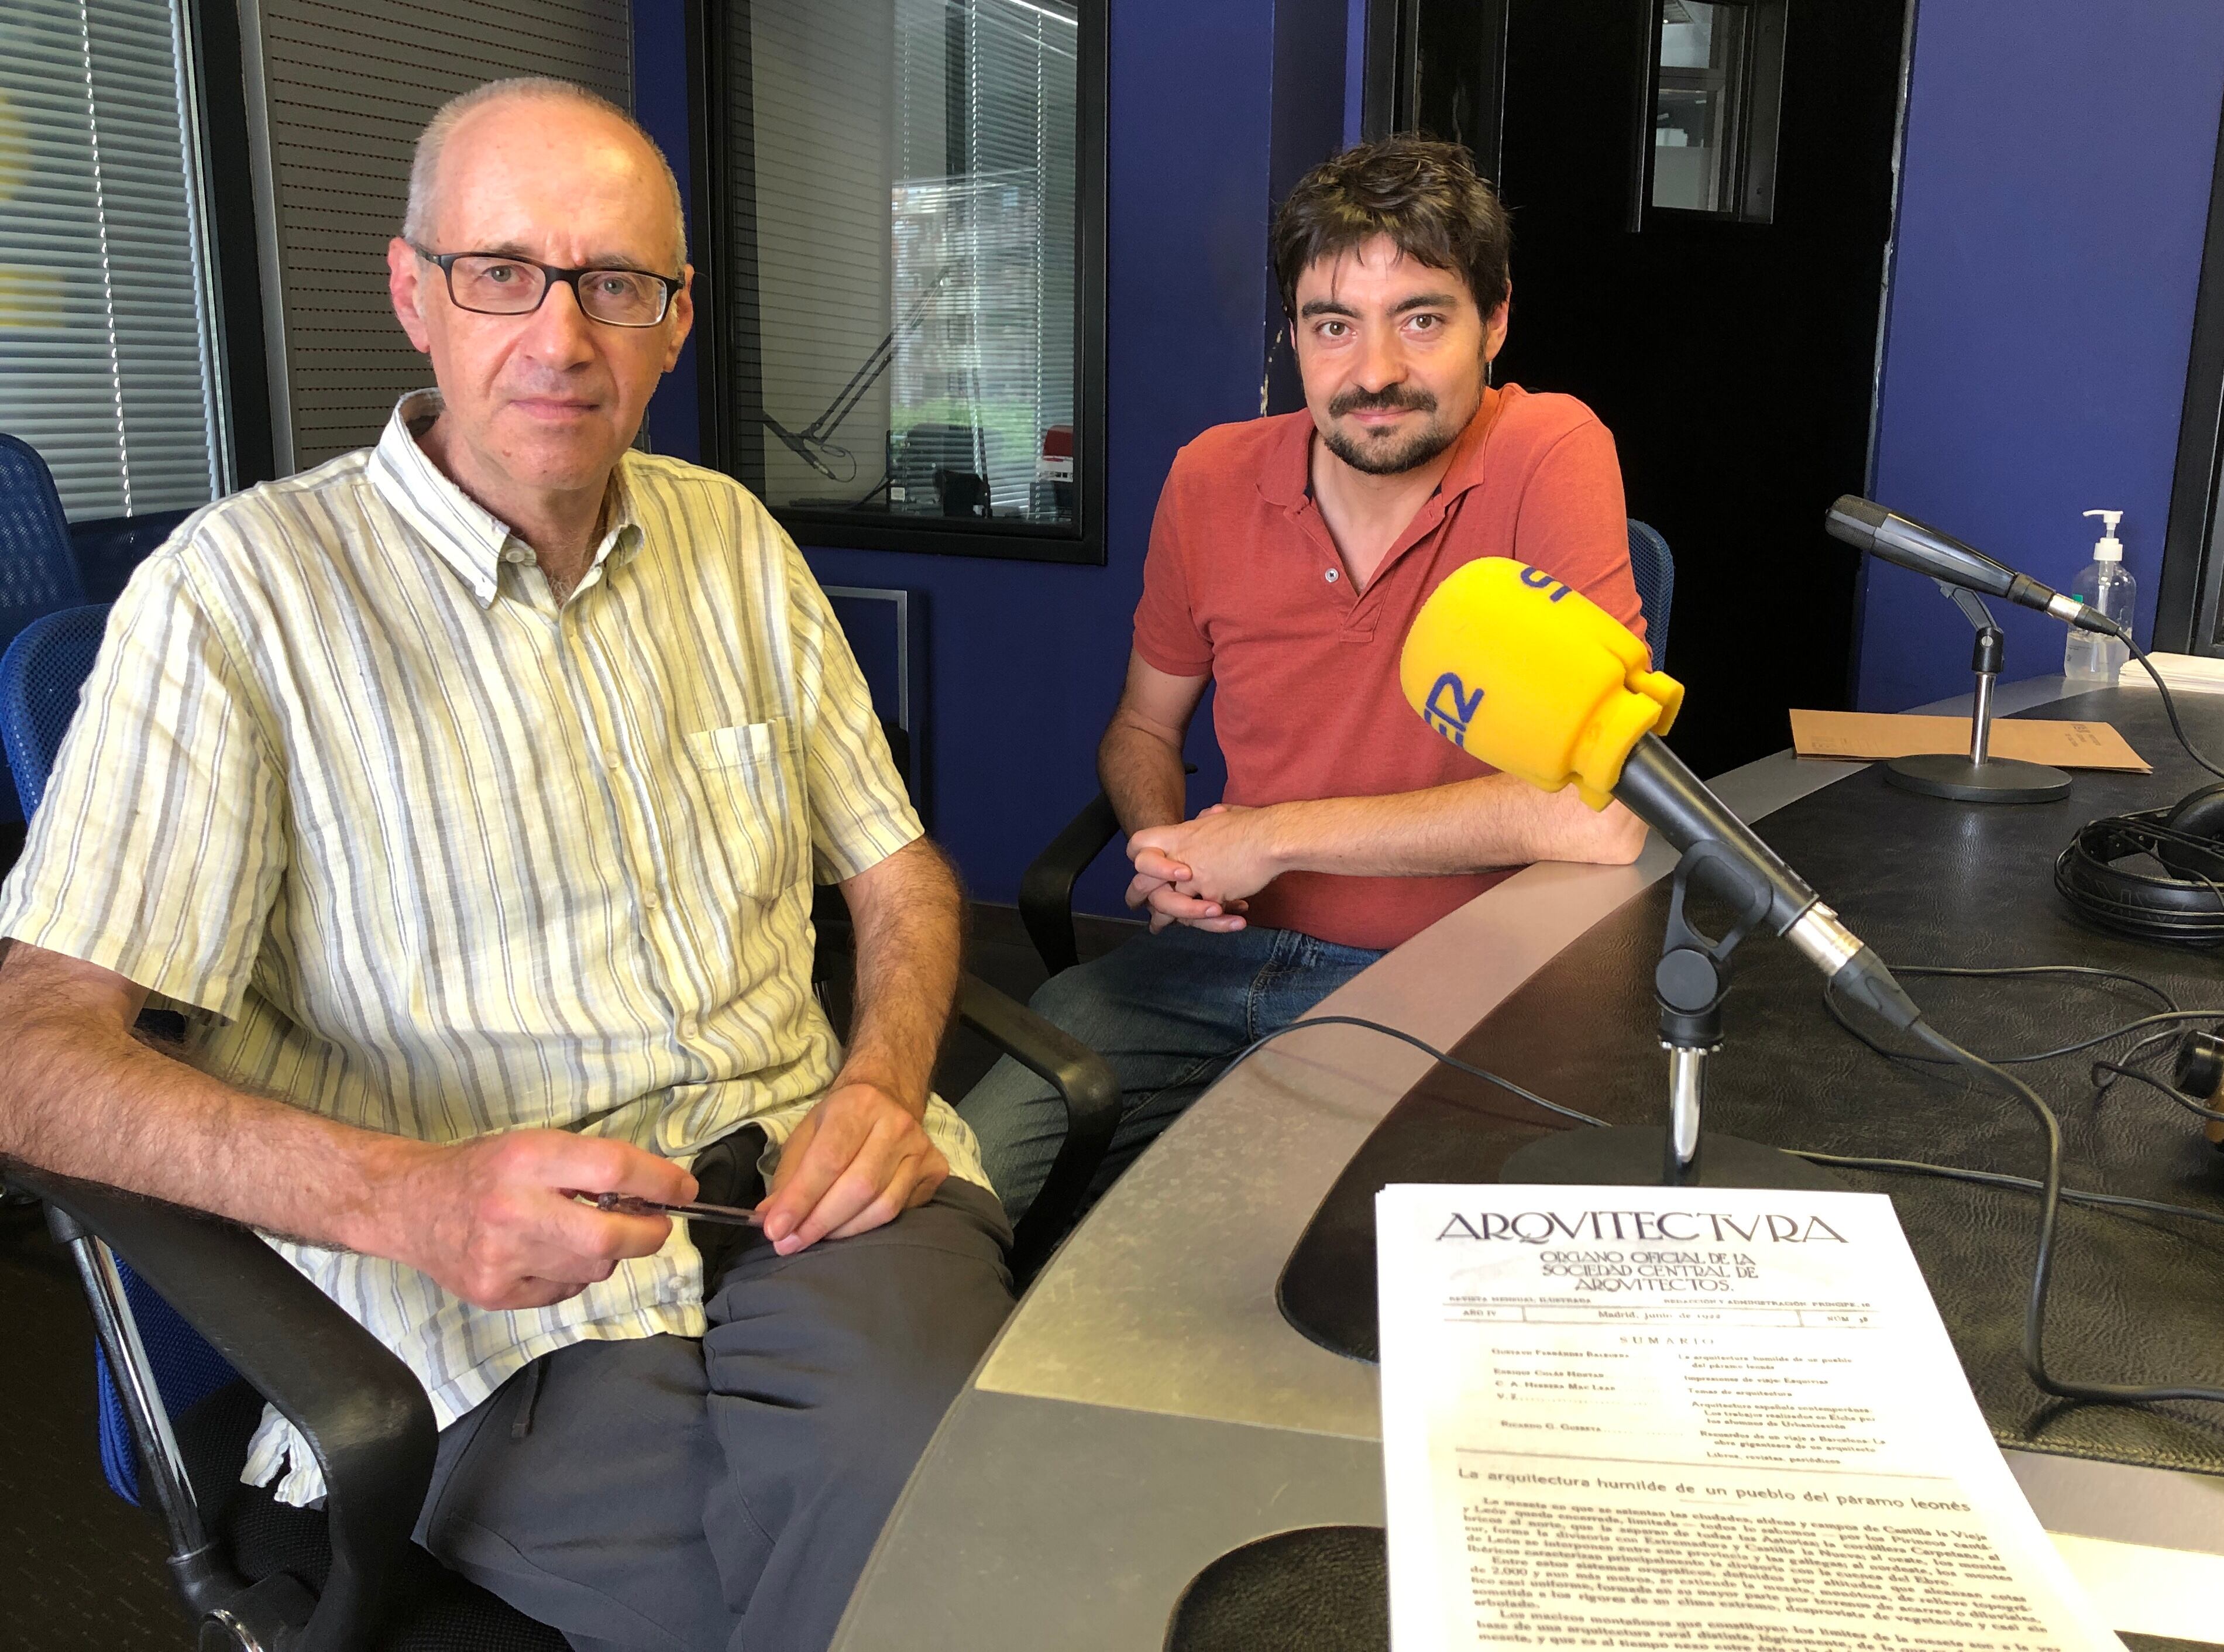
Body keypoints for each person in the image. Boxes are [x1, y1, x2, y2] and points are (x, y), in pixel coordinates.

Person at [0, 77, 1009, 1652]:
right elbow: (30, 1053)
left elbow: (900, 878)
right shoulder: (239, 601)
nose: (561, 336)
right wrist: (403, 1198)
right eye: (502, 272)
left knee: (965, 1540)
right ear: (415, 292)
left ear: (674, 322)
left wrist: (882, 1081)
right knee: (914, 1593)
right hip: (488, 1317)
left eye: (617, 285)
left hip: (818, 1196)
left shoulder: (734, 541)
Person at [961, 136, 1651, 1222]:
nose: (1373, 370)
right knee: (951, 1194)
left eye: (1421, 319)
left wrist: (1271, 836)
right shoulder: (1210, 477)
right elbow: (1143, 727)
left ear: (1496, 321)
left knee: (1291, 1264)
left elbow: (1599, 818)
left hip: (1447, 979)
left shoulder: (1547, 451)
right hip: (1202, 967)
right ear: (1292, 335)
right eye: (1333, 325)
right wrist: (1164, 847)